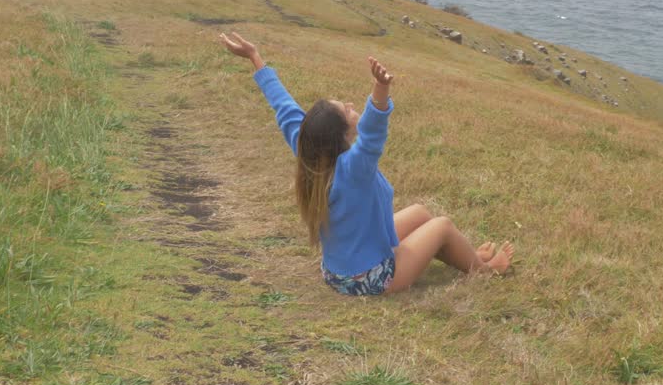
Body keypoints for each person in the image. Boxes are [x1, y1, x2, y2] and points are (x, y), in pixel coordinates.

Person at [219, 31, 513, 296]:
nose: (350, 105)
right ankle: (487, 270)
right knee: (442, 226)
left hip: (338, 273)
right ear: (341, 134)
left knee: (421, 214)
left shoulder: (310, 151)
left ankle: (470, 258)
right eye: (346, 110)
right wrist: (380, 88)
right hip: (371, 278)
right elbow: (373, 131)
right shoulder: (353, 168)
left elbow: (283, 106)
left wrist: (255, 57)